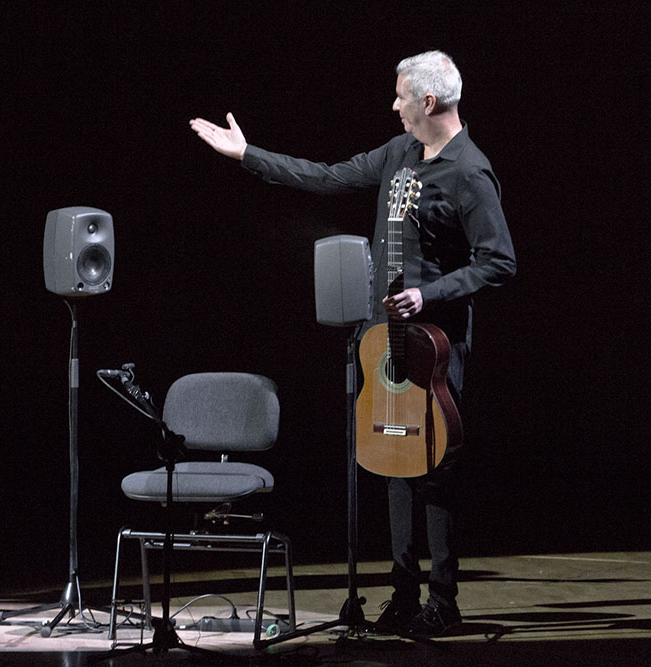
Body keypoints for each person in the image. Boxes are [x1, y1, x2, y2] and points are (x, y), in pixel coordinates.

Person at [190, 51, 516, 636]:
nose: (393, 105)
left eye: (399, 96)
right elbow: (328, 176)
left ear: (429, 102)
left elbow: (499, 262)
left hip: (435, 341)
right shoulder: (399, 153)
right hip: (382, 337)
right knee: (393, 458)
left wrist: (430, 294)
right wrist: (248, 155)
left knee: (435, 464)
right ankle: (401, 593)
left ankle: (443, 599)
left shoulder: (470, 171)